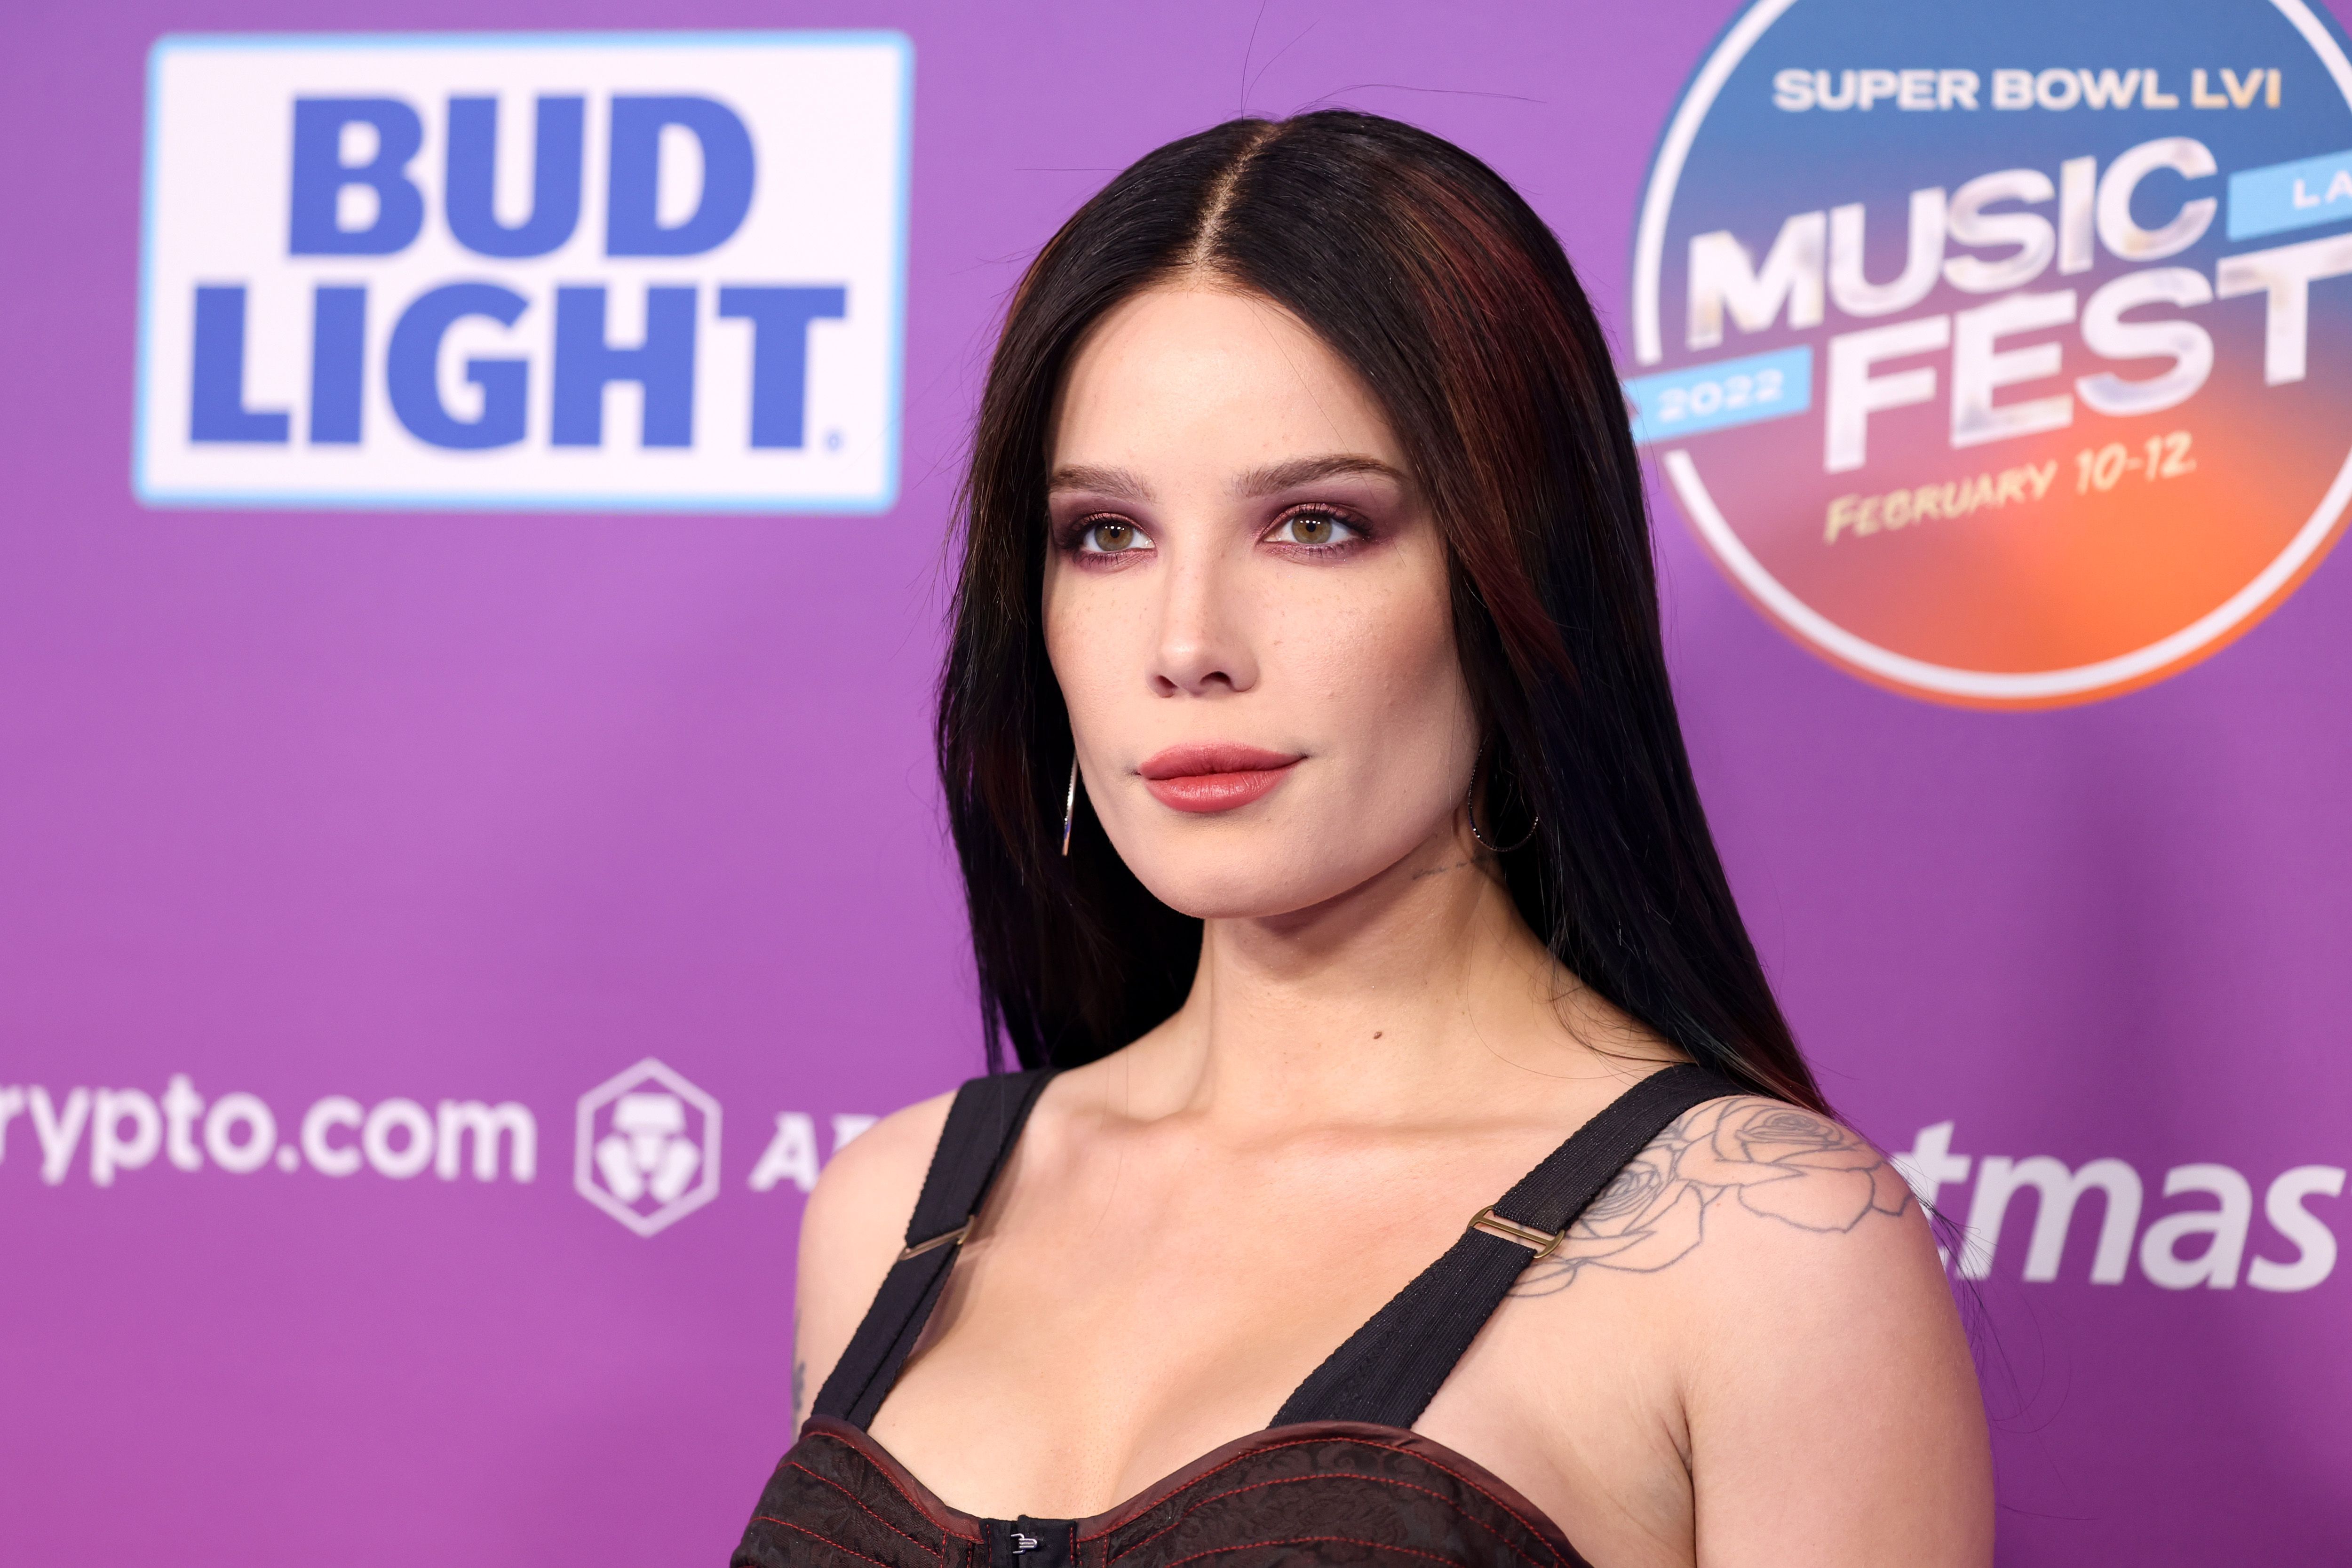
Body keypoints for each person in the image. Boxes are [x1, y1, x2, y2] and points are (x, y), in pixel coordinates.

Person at [734, 111, 1992, 1568]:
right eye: (1105, 535)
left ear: (1514, 573)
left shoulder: (1768, 1249)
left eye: (1317, 526)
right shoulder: (896, 1206)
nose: (1187, 644)